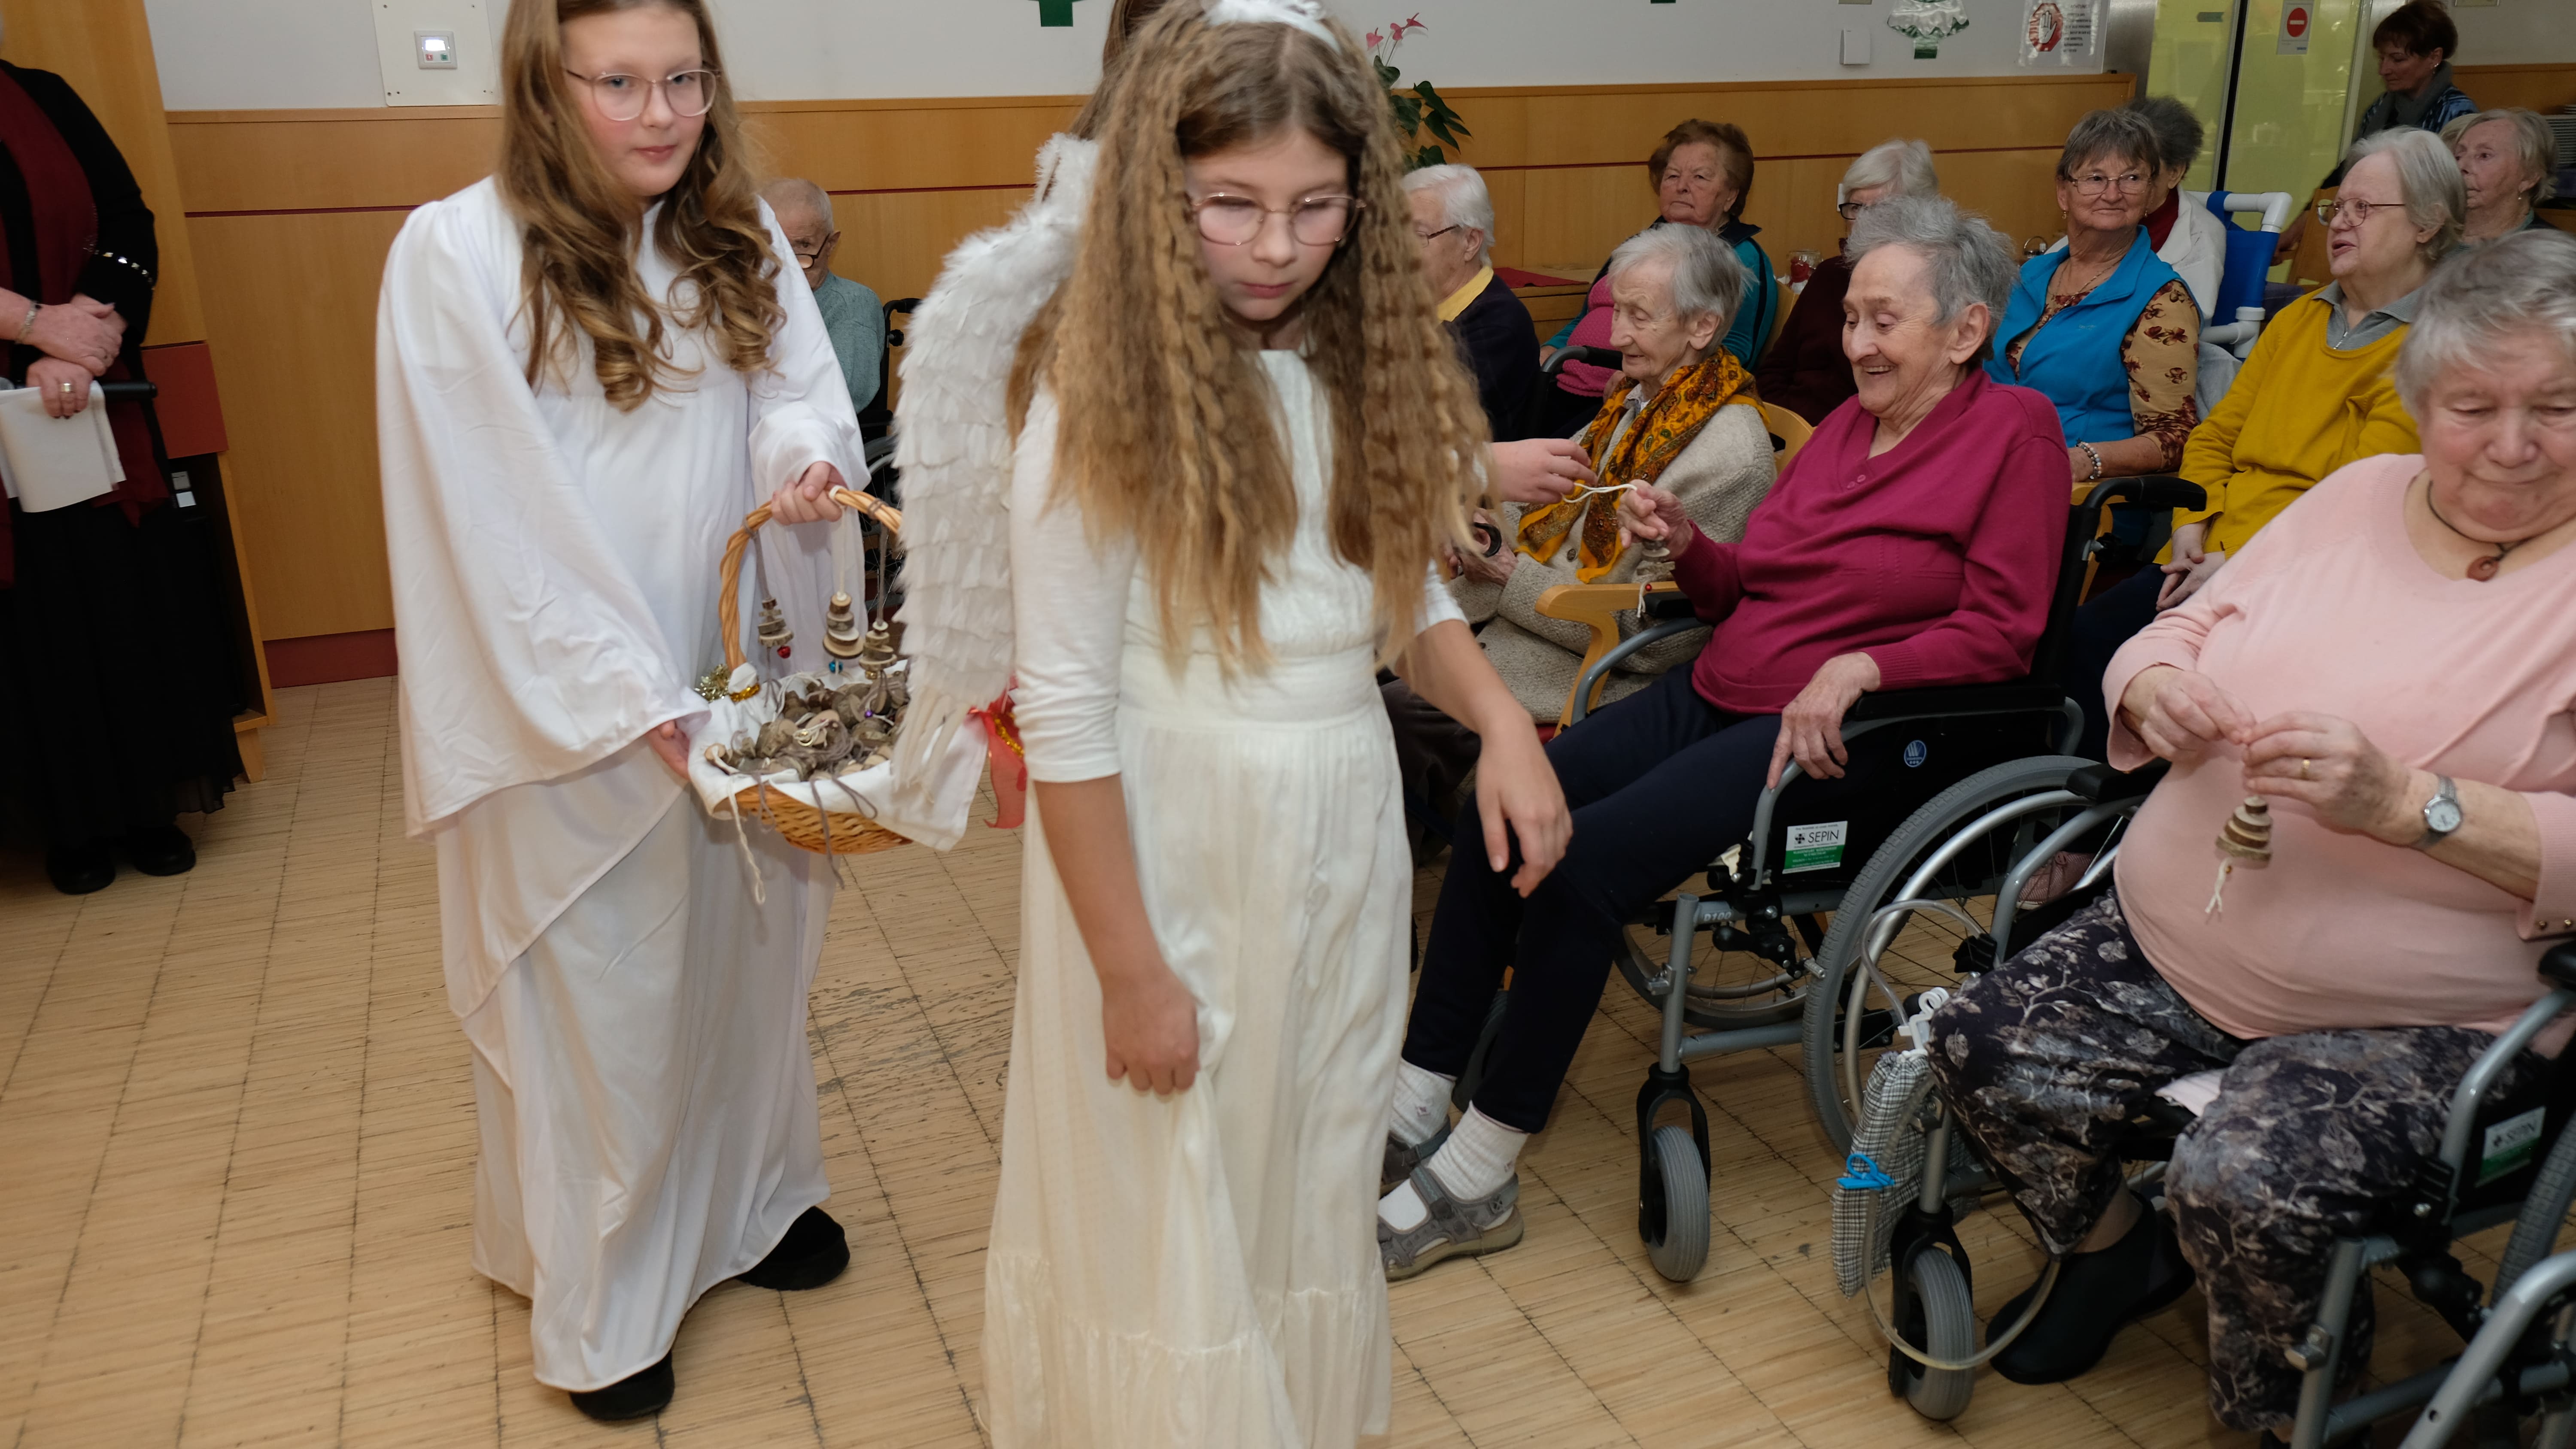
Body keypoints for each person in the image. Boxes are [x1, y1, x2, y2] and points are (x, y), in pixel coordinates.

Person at [971, 6, 1570, 1446]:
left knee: (1307, 1164)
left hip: (1337, 819)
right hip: (1168, 835)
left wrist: (1500, 717)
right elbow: (1065, 709)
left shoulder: (1364, 362)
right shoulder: (1095, 391)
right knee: (1174, 1194)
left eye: (1314, 207)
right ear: (1156, 195)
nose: (1275, 246)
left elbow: (1400, 587)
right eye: (1229, 204)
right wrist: (1130, 972)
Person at [1922, 228, 2576, 1439]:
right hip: (2175, 938)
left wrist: (2413, 806)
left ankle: (2291, 1413)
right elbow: (2185, 623)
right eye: (2473, 405)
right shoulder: (2355, 496)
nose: (2511, 443)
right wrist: (2153, 686)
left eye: (2558, 408)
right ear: (2420, 402)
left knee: (2245, 1181)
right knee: (1977, 1045)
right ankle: (2115, 1254)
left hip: (2421, 1021)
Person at [1380, 195, 2066, 1278]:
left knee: (1580, 867)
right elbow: (1750, 582)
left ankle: (1483, 1170)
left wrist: (1866, 665)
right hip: (1718, 683)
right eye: (1852, 318)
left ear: (1966, 330)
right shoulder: (1846, 428)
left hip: (1840, 734)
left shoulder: (2014, 432)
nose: (1856, 341)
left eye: (1885, 321)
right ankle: (1414, 1099)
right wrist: (1690, 541)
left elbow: (2007, 628)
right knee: (1502, 804)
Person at [375, 0, 863, 1420]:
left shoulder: (733, 230)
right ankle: (608, 1302)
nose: (661, 115)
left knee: (747, 960)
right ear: (547, 83)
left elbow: (792, 392)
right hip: (570, 701)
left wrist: (803, 463)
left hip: (726, 661)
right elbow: (487, 510)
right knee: (611, 995)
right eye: (621, 84)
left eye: (684, 81)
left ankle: (757, 1201)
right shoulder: (457, 252)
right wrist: (628, 694)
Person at [2063, 128, 2462, 759]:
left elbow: (2356, 500)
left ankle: (2142, 807)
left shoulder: (2433, 346)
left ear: (2428, 223)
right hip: (2208, 553)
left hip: (2302, 579)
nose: (2340, 223)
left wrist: (2240, 565)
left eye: (2364, 208)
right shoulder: (2300, 317)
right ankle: (2087, 810)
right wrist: (2191, 525)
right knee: (2084, 640)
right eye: (2336, 208)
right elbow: (2216, 436)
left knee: (2181, 685)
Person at [1383, 224, 1777, 853]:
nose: (1616, 336)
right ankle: (1417, 844)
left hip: (1590, 669)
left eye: (1638, 316)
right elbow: (1546, 508)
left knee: (1385, 717)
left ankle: (1410, 866)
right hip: (1520, 630)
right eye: (1617, 311)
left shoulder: (1730, 454)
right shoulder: (1641, 401)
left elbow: (1658, 638)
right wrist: (1477, 529)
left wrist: (1507, 572)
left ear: (1703, 327)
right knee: (1359, 667)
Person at [0, 45, 244, 895]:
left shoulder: (43, 95)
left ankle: (147, 807)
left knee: (117, 591)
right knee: (28, 621)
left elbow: (127, 222)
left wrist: (80, 340)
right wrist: (31, 328)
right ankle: (67, 825)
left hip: (87, 395)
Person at [1990, 108, 2201, 494]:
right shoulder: (2029, 276)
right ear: (2063, 192)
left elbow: (2174, 437)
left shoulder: (2162, 299)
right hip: (1991, 466)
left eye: (2132, 178)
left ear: (2150, 193)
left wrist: (2084, 459)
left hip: (2077, 497)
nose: (2113, 194)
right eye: (2095, 178)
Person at [1531, 119, 1780, 439]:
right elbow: (1587, 315)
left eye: (1700, 177)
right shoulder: (1642, 244)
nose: (1682, 186)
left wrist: (1638, 382)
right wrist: (1551, 347)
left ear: (1731, 195)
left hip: (1629, 400)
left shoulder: (1740, 260)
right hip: (1564, 379)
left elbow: (1735, 352)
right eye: (1672, 176)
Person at [2273, 0, 2476, 263]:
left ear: (2434, 58)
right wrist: (2292, 234)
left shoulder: (2458, 113)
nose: (2384, 70)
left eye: (2397, 59)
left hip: (2425, 246)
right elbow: (2345, 175)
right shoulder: (2380, 108)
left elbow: (2451, 197)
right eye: (2382, 58)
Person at [1757, 138, 1937, 426]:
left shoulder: (1925, 291)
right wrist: (1785, 430)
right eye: (1856, 207)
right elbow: (1775, 370)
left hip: (1858, 436)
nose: (1863, 222)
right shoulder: (1829, 274)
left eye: (1880, 210)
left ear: (1919, 214)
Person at [1405, 163, 1539, 440]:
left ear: (1470, 242)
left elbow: (1419, 420)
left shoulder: (1497, 326)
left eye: (1417, 236)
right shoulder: (1412, 304)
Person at [763, 176, 885, 413]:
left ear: (830, 244)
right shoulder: (744, 300)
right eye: (776, 246)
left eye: (803, 246)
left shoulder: (851, 305)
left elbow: (836, 399)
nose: (789, 264)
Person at [2446, 107, 2558, 243]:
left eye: (2484, 156)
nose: (2461, 166)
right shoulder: (2430, 236)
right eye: (2458, 156)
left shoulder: (2549, 250)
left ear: (2529, 177)